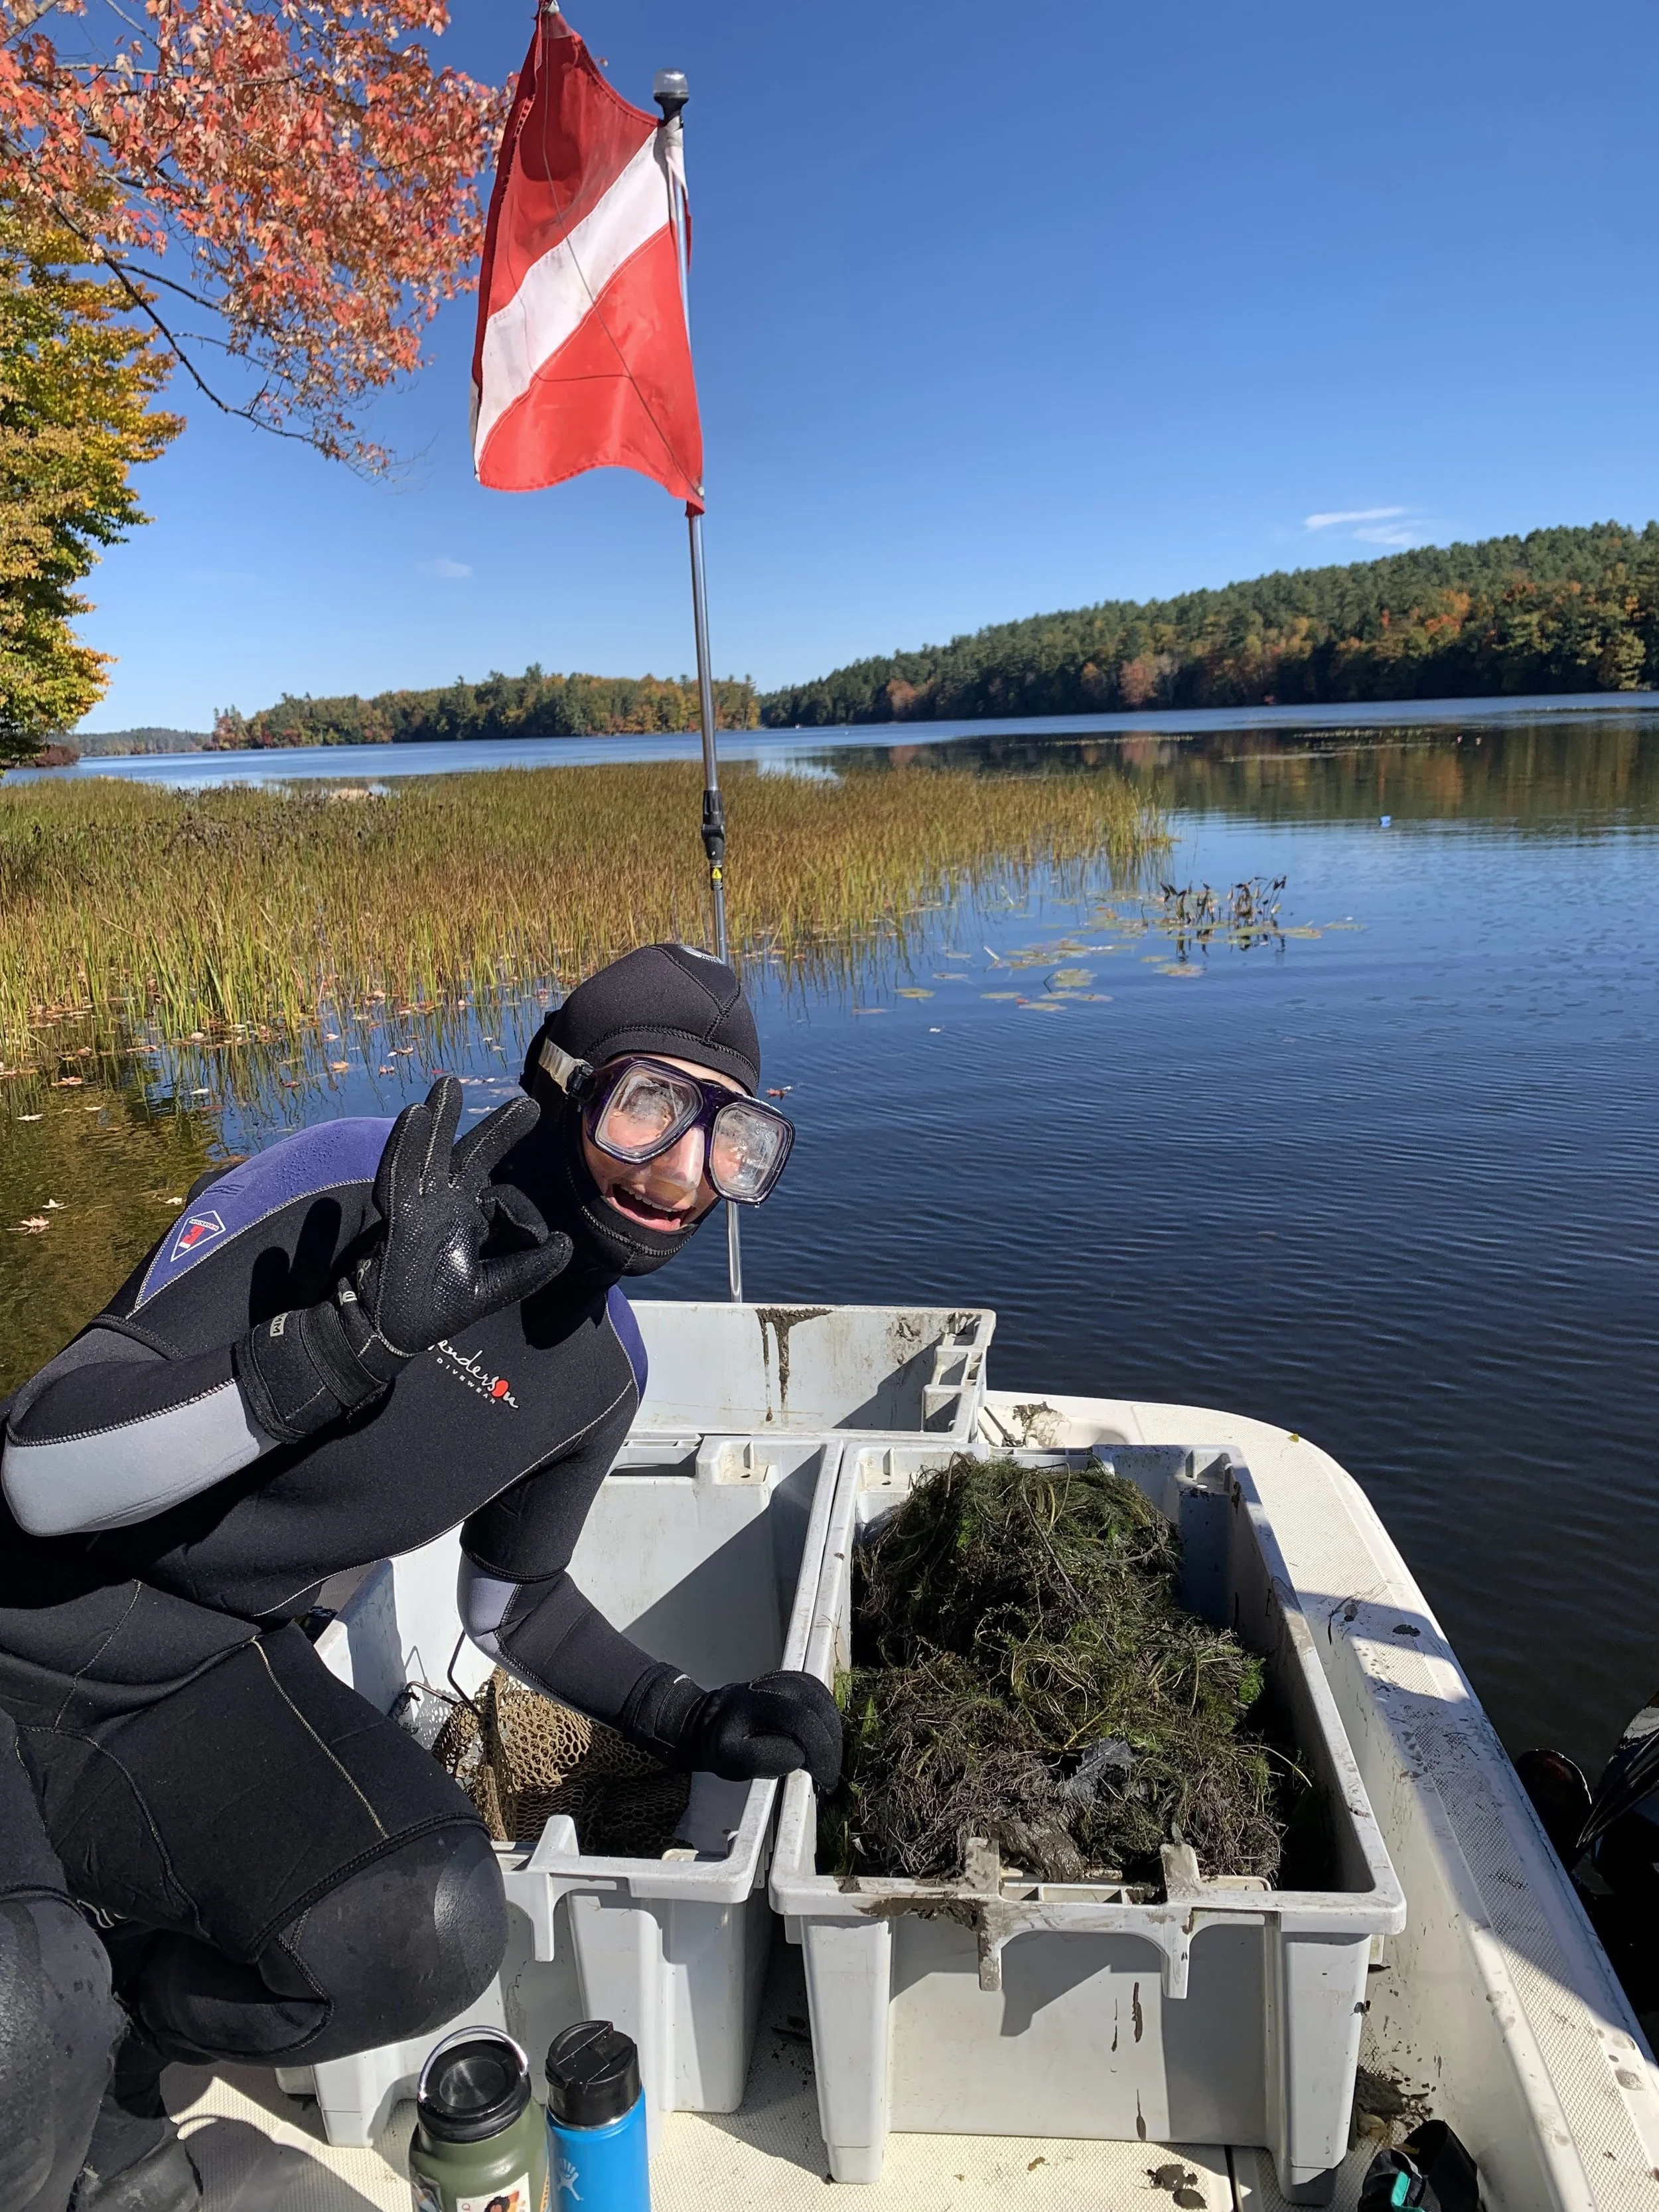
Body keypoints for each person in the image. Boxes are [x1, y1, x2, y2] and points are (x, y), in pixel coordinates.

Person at [0, 944, 839, 2212]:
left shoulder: (598, 1371)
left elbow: (513, 1604)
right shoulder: (345, 1183)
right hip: (19, 1615)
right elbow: (38, 1472)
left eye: (735, 1144)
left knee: (426, 1926)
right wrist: (338, 1345)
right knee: (20, 2012)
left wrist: (691, 1716)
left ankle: (134, 2042)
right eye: (650, 1107)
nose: (680, 1174)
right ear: (561, 1084)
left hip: (200, 1672)